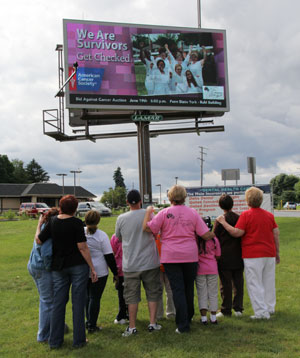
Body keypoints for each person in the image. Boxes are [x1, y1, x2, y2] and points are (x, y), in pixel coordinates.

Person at [143, 185, 215, 333]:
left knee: (177, 290)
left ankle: (182, 324)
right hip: (190, 255)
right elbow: (205, 235)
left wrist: (148, 213)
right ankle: (187, 317)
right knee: (188, 288)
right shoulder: (193, 213)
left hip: (171, 256)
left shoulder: (164, 213)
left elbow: (148, 228)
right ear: (184, 197)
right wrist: (218, 229)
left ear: (170, 197)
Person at [36, 195, 98, 349]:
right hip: (78, 266)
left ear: (61, 206)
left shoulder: (53, 221)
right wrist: (92, 267)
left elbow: (39, 240)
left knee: (58, 303)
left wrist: (39, 225)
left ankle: (55, 341)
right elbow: (82, 247)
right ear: (75, 209)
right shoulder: (77, 223)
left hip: (59, 267)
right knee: (78, 303)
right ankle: (79, 341)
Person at [216, 187, 280, 319]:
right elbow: (276, 234)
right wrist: (277, 253)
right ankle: (270, 307)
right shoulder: (269, 215)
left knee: (254, 283)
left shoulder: (246, 215)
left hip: (253, 254)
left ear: (248, 200)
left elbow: (236, 233)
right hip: (269, 253)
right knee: (268, 282)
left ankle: (261, 312)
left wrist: (223, 222)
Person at [115, 189, 162, 337]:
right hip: (150, 262)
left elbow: (119, 237)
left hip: (131, 264)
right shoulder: (148, 215)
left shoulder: (121, 218)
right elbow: (156, 231)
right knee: (153, 293)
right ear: (141, 200)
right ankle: (153, 323)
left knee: (131, 296)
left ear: (127, 202)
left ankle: (132, 326)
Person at [28, 208, 59, 343]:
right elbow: (46, 253)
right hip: (42, 269)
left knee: (46, 300)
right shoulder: (50, 230)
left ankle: (57, 326)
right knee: (48, 302)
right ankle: (43, 335)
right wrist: (51, 269)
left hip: (34, 265)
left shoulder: (43, 227)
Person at [84, 210, 118, 333]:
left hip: (85, 269)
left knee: (87, 297)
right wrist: (116, 273)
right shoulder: (101, 235)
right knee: (95, 298)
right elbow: (109, 256)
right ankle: (92, 325)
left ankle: (88, 322)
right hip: (100, 270)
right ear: (98, 221)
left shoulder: (81, 232)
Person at [214, 194, 244, 318]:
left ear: (220, 206)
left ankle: (226, 309)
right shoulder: (240, 218)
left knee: (225, 284)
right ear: (233, 204)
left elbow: (214, 238)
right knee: (238, 283)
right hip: (238, 255)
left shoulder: (220, 220)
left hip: (224, 256)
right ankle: (238, 308)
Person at [196, 234, 221, 325]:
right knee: (213, 293)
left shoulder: (196, 239)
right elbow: (218, 255)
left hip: (199, 269)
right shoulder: (214, 239)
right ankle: (213, 318)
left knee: (202, 293)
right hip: (212, 268)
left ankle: (203, 319)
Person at [155, 234, 176, 320]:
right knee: (165, 291)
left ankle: (166, 314)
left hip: (167, 264)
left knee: (168, 291)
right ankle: (166, 314)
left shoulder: (155, 234)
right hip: (162, 265)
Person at [110, 233, 128, 325]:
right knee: (129, 292)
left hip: (120, 267)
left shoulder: (115, 237)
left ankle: (122, 315)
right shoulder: (130, 234)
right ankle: (126, 313)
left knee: (121, 293)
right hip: (130, 266)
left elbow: (112, 251)